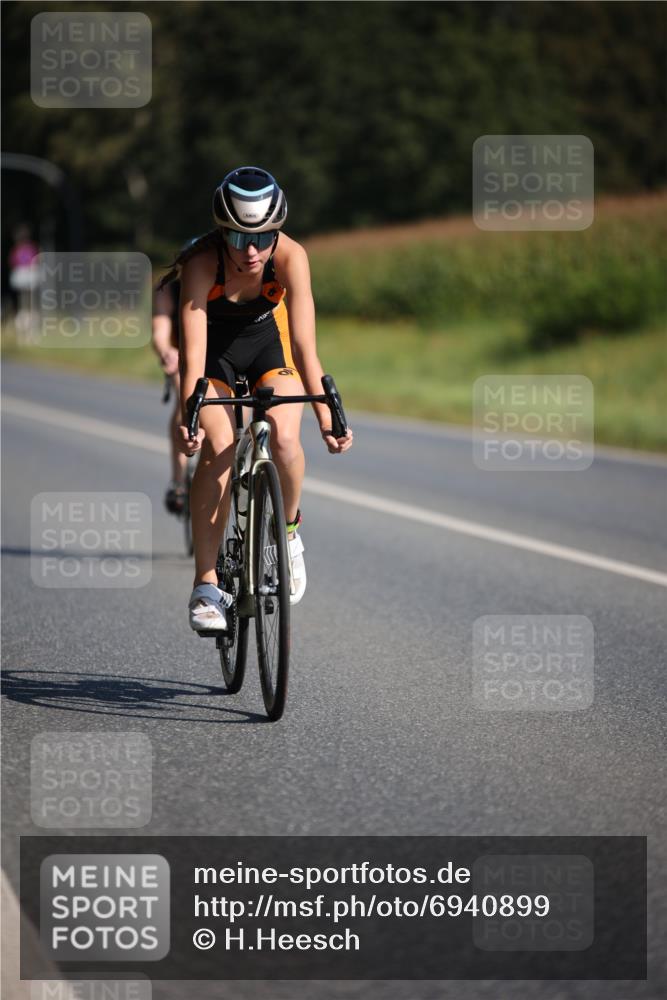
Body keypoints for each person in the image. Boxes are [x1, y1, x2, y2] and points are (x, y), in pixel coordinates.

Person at [158, 166, 353, 632]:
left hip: (268, 347)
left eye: (263, 238)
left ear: (276, 232)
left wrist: (326, 415)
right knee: (219, 447)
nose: (251, 251)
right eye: (238, 237)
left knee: (284, 439)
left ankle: (288, 535)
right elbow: (194, 357)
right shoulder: (201, 264)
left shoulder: (291, 256)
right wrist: (190, 419)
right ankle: (207, 586)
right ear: (220, 230)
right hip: (215, 356)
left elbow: (304, 347)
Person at [152, 277, 189, 514]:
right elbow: (160, 332)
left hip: (217, 354)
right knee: (185, 402)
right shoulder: (168, 288)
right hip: (179, 356)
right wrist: (167, 351)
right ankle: (179, 480)